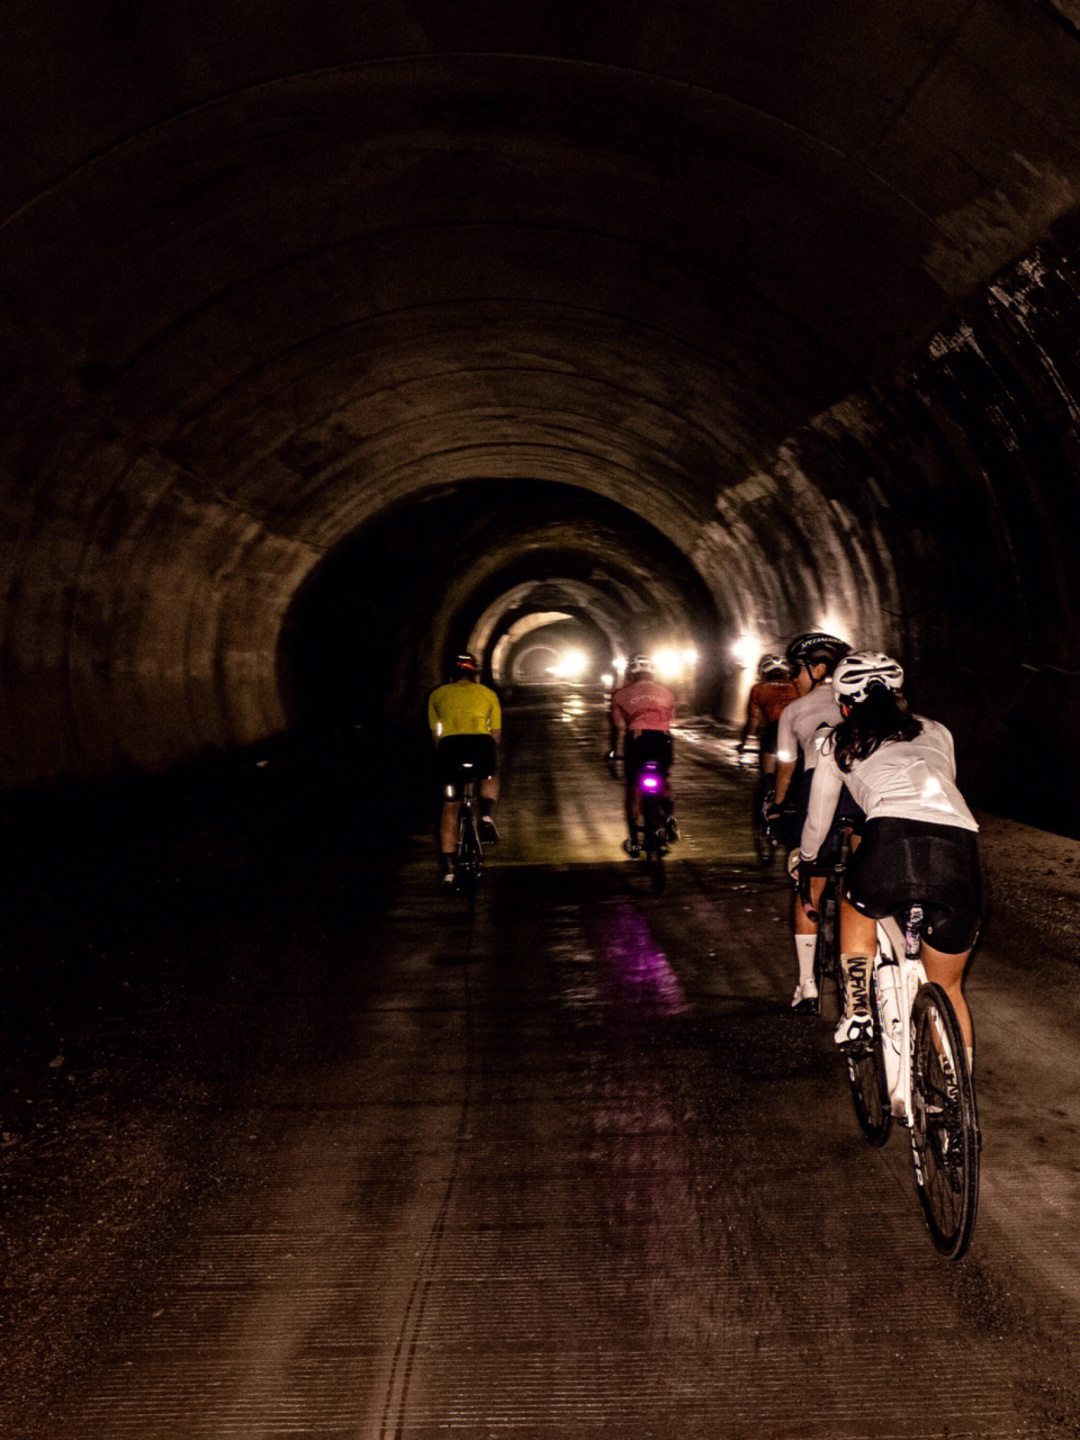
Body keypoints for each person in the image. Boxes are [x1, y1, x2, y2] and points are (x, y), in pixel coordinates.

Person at [796, 651, 982, 1066]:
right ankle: (959, 1105)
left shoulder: (835, 740)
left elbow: (819, 820)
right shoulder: (937, 730)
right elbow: (939, 792)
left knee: (856, 902)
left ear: (844, 705)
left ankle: (858, 1008)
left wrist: (805, 858)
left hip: (891, 836)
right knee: (949, 989)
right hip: (961, 846)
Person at [770, 631, 853, 1011]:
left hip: (814, 791)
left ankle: (807, 986)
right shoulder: (859, 702)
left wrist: (779, 804)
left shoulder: (793, 710)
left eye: (797, 671)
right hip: (858, 795)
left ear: (819, 669)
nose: (793, 680)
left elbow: (787, 767)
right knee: (860, 886)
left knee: (808, 888)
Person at [427, 652, 502, 889]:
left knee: (450, 808)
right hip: (481, 745)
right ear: (475, 676)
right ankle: (487, 815)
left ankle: (449, 870)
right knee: (489, 775)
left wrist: (445, 759)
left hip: (450, 749)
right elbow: (495, 735)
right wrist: (485, 755)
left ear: (451, 676)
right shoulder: (488, 694)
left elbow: (437, 736)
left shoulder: (437, 695)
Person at [610, 653, 678, 857]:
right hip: (663, 741)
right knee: (662, 777)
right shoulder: (668, 692)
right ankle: (669, 818)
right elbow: (671, 719)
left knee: (633, 786)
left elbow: (618, 725)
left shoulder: (621, 694)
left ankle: (634, 842)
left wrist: (613, 753)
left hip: (638, 742)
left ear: (631, 672)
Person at [737, 653, 800, 783]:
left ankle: (768, 785)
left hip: (776, 730)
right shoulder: (796, 686)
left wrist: (745, 742)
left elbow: (753, 720)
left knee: (768, 744)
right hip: (799, 729)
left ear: (763, 673)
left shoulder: (758, 688)